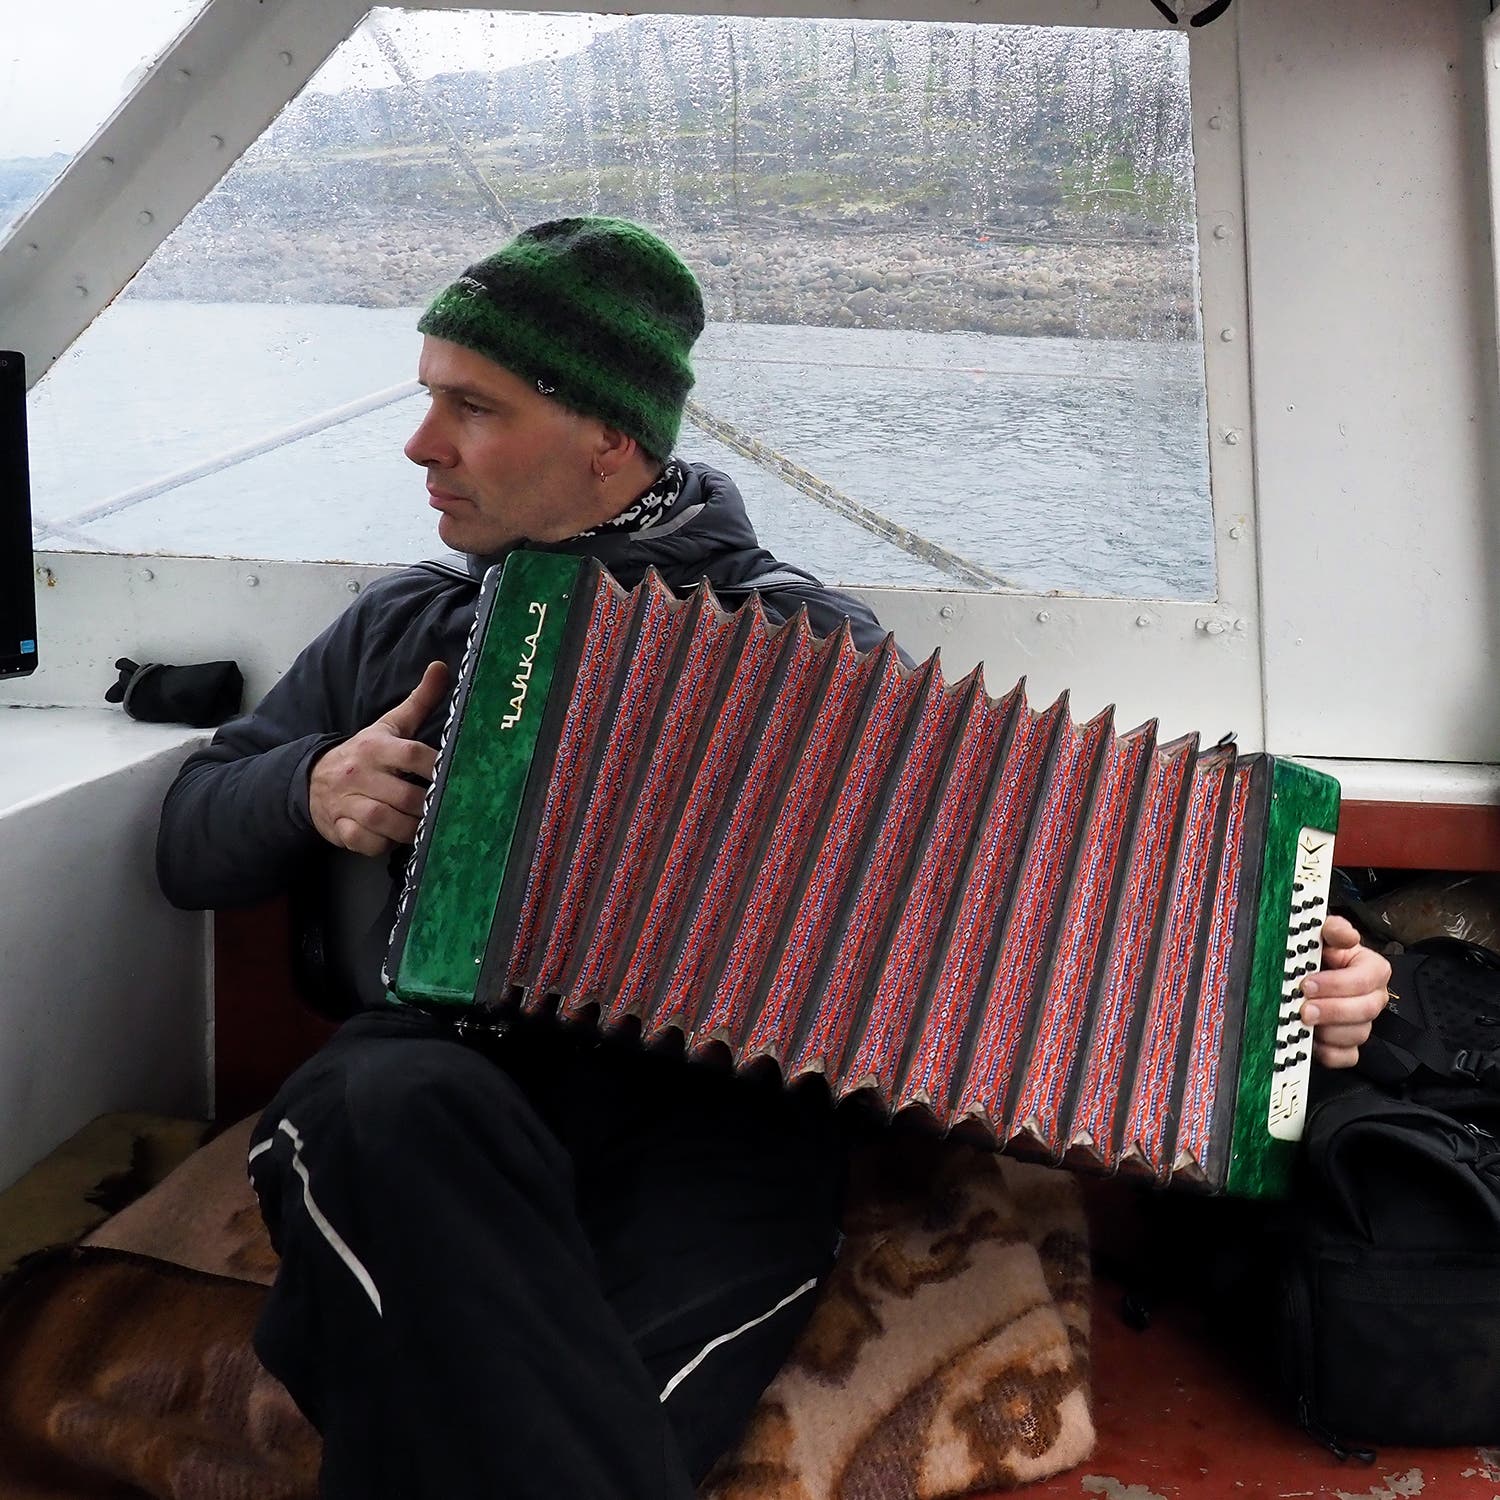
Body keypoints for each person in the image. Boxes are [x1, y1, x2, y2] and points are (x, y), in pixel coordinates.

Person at [155, 216, 1391, 1499]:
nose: (420, 447)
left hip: (717, 1117)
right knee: (373, 1115)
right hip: (443, 1077)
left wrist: (1294, 984)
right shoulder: (404, 620)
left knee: (537, 1382)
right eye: (429, 401)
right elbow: (191, 837)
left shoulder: (803, 641)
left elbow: (1020, 888)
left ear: (611, 441)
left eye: (473, 408)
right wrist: (310, 786)